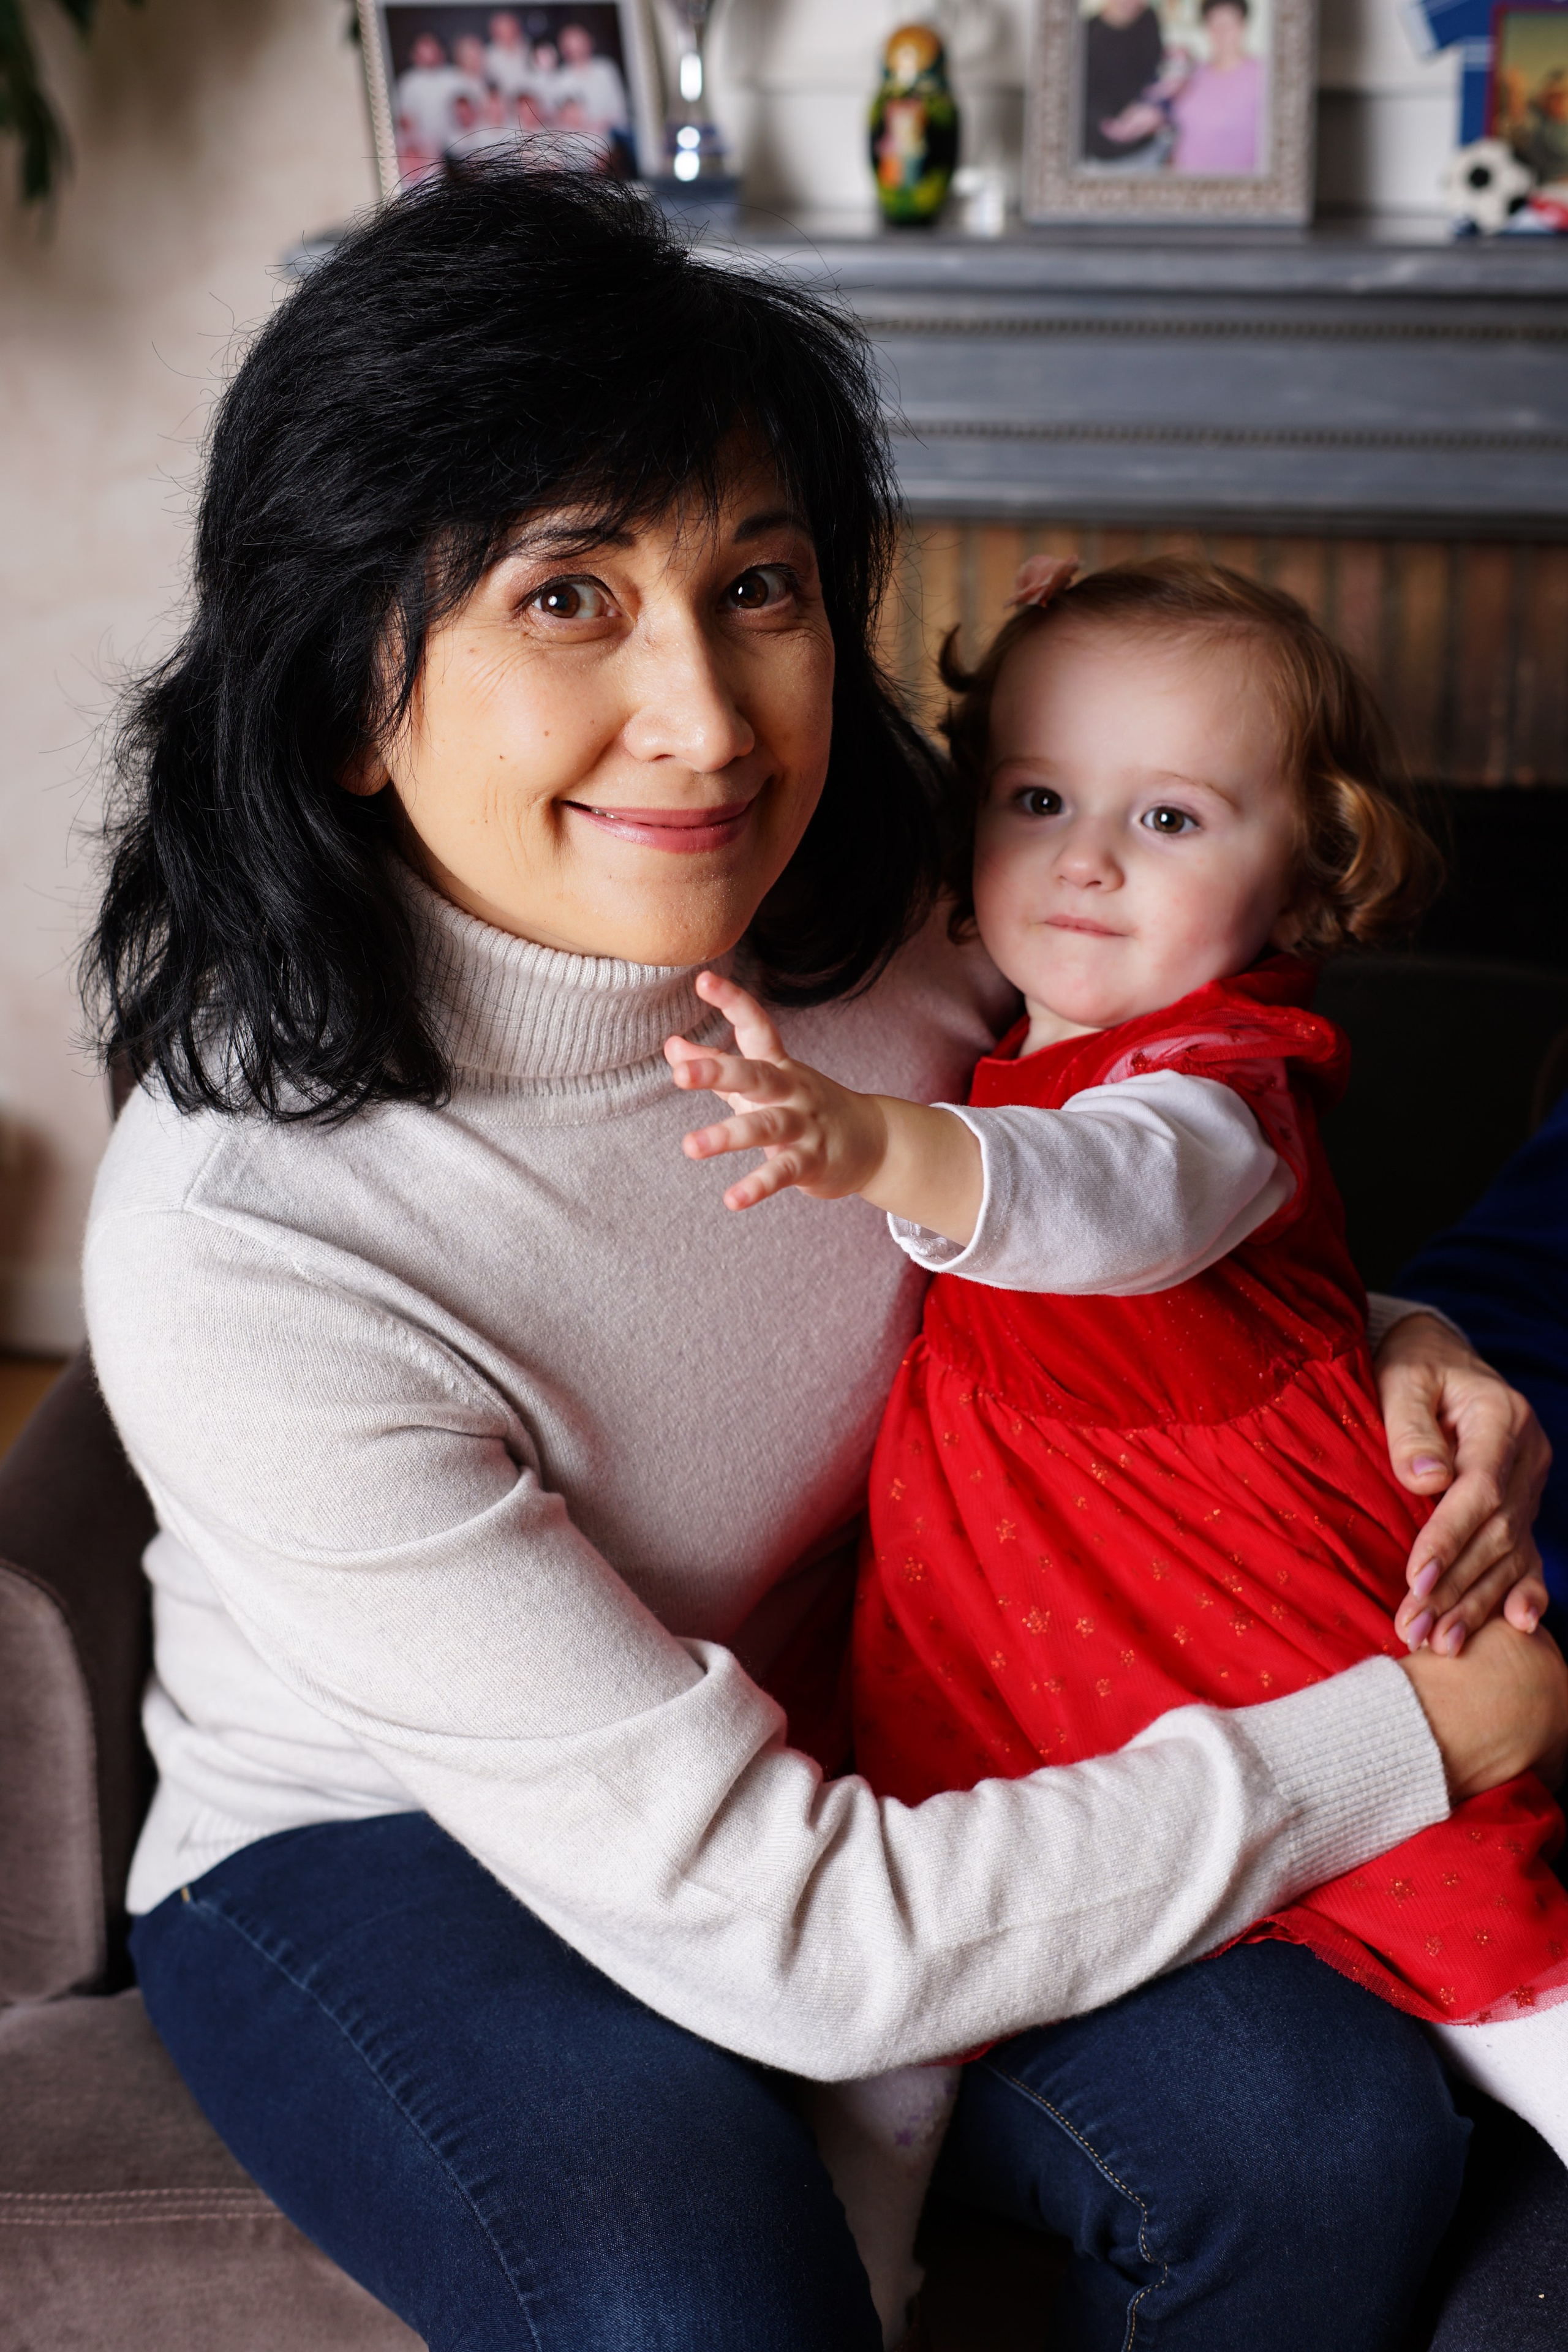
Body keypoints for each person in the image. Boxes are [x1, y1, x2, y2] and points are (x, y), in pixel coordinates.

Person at [83, 170, 1563, 2352]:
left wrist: (1391, 1345)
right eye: (568, 599)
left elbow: (1115, 1204)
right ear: (346, 695)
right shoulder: (254, 1243)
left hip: (902, 1696)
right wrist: (1400, 1741)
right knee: (690, 2289)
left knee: (1324, 2137)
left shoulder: (894, 938)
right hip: (387, 1827)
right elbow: (796, 1935)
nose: (706, 720)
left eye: (753, 582)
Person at [664, 552, 1568, 2339]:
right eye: (1037, 796)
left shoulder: (1224, 1077)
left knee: (1493, 1952)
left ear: (1309, 867)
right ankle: (857, 2277)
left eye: (1168, 814)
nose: (1087, 856)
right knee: (905, 2019)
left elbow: (1113, 1202)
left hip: (1247, 1612)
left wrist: (873, 1147)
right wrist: (1402, 1321)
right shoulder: (980, 1025)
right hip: (1006, 1616)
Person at [1169, 0, 1265, 174]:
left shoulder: (1262, 76)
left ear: (1243, 26)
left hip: (1234, 190)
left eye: (1229, 25)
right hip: (1185, 186)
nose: (1221, 33)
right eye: (1214, 25)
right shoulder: (1195, 72)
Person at [1082, 0, 1167, 168]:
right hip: (1102, 159)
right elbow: (1076, 99)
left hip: (1149, 150)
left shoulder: (1149, 20)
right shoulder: (1084, 33)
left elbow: (1155, 75)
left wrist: (1156, 109)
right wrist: (1112, 125)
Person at [555, 20, 631, 131]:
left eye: (579, 44)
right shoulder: (561, 77)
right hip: (577, 135)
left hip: (611, 132)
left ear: (589, 43)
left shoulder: (605, 69)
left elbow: (619, 110)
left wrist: (602, 124)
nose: (576, 51)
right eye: (571, 46)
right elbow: (561, 117)